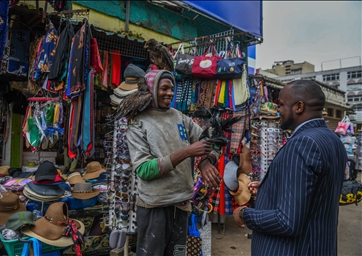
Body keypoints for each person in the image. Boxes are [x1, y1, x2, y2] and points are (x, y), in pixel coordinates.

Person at [233, 80, 348, 256]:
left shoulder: (302, 143)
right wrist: (269, 188)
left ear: (299, 107)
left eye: (281, 105)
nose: (278, 110)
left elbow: (287, 221)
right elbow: (317, 193)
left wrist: (244, 214)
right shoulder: (332, 140)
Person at [126, 69, 222, 256]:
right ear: (152, 89)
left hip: (181, 205)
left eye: (172, 88)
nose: (169, 93)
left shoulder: (180, 117)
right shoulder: (138, 123)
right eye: (164, 88)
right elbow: (144, 170)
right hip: (155, 208)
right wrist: (187, 152)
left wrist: (205, 161)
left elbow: (212, 141)